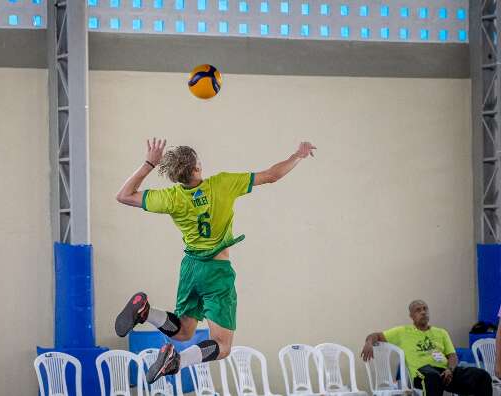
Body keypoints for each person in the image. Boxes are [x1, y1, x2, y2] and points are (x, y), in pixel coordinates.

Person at [114, 138, 316, 383]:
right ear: (197, 169)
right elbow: (272, 175)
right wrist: (297, 155)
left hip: (191, 269)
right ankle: (177, 361)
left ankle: (146, 313)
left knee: (185, 331)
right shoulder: (222, 184)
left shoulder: (171, 198)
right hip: (216, 272)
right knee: (223, 345)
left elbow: (124, 195)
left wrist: (148, 163)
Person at [361, 300, 492, 396]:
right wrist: (368, 343)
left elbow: (452, 355)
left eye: (425, 309)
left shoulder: (441, 332)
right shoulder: (402, 332)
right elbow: (375, 335)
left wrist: (450, 370)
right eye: (418, 310)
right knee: (432, 377)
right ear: (411, 316)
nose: (423, 312)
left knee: (482, 376)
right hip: (422, 373)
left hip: (445, 372)